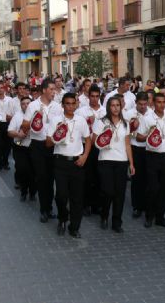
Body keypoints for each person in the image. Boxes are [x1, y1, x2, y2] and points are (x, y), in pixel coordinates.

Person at [46, 93, 91, 238]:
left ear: (76, 104)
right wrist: (57, 135)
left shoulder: (81, 120)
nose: (70, 106)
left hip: (77, 162)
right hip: (60, 161)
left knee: (77, 197)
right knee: (61, 196)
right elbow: (47, 143)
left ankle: (74, 227)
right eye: (67, 103)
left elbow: (88, 140)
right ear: (62, 105)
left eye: (73, 103)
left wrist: (84, 156)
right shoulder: (56, 120)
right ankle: (63, 218)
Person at [136, 93, 165, 228]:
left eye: (163, 102)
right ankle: (149, 216)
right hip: (152, 156)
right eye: (158, 102)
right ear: (153, 103)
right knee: (152, 188)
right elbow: (138, 137)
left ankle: (160, 217)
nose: (161, 104)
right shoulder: (147, 118)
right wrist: (147, 135)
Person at [22, 79, 63, 223]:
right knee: (41, 177)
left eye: (55, 89)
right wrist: (34, 118)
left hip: (52, 145)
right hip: (38, 145)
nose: (54, 92)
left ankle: (50, 207)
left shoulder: (57, 106)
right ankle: (43, 210)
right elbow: (24, 126)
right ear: (44, 90)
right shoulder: (33, 105)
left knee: (51, 178)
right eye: (51, 89)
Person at [92, 96, 135, 233]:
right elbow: (94, 141)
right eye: (113, 105)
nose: (115, 108)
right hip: (105, 160)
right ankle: (104, 215)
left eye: (118, 105)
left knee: (120, 193)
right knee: (107, 191)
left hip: (121, 162)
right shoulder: (101, 122)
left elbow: (127, 145)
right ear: (108, 107)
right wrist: (104, 138)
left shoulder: (125, 124)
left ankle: (117, 222)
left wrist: (131, 163)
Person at [76, 84, 106, 216]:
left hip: (101, 148)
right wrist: (88, 122)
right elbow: (77, 129)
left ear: (100, 97)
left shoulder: (105, 111)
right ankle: (85, 204)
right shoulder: (82, 111)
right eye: (92, 96)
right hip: (86, 146)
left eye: (97, 96)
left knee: (100, 177)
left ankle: (97, 205)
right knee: (87, 177)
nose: (94, 99)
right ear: (88, 97)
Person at [123, 92, 151, 218]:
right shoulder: (129, 114)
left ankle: (146, 204)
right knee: (137, 178)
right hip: (135, 148)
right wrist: (134, 132)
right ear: (136, 103)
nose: (143, 106)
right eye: (140, 104)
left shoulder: (152, 113)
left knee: (148, 178)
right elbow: (124, 132)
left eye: (145, 104)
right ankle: (136, 206)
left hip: (149, 149)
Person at [8, 96, 36, 202]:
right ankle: (24, 191)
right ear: (21, 106)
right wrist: (18, 133)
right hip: (20, 146)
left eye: (28, 103)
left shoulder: (37, 116)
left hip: (33, 147)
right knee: (22, 170)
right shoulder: (17, 116)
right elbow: (9, 132)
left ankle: (33, 192)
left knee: (34, 172)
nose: (26, 105)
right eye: (23, 103)